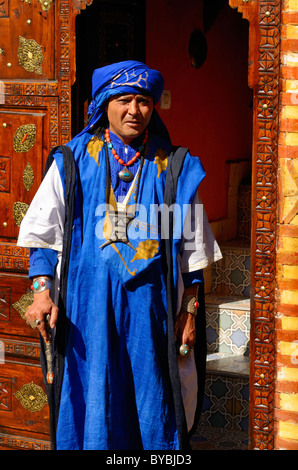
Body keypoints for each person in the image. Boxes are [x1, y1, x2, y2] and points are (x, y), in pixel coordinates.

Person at [17, 61, 222, 450]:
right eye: (124, 99)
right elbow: (43, 237)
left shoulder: (173, 166)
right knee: (93, 399)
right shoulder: (72, 161)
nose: (134, 110)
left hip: (152, 315)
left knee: (152, 399)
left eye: (143, 101)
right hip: (86, 314)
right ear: (104, 103)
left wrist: (189, 312)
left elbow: (193, 256)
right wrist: (42, 292)